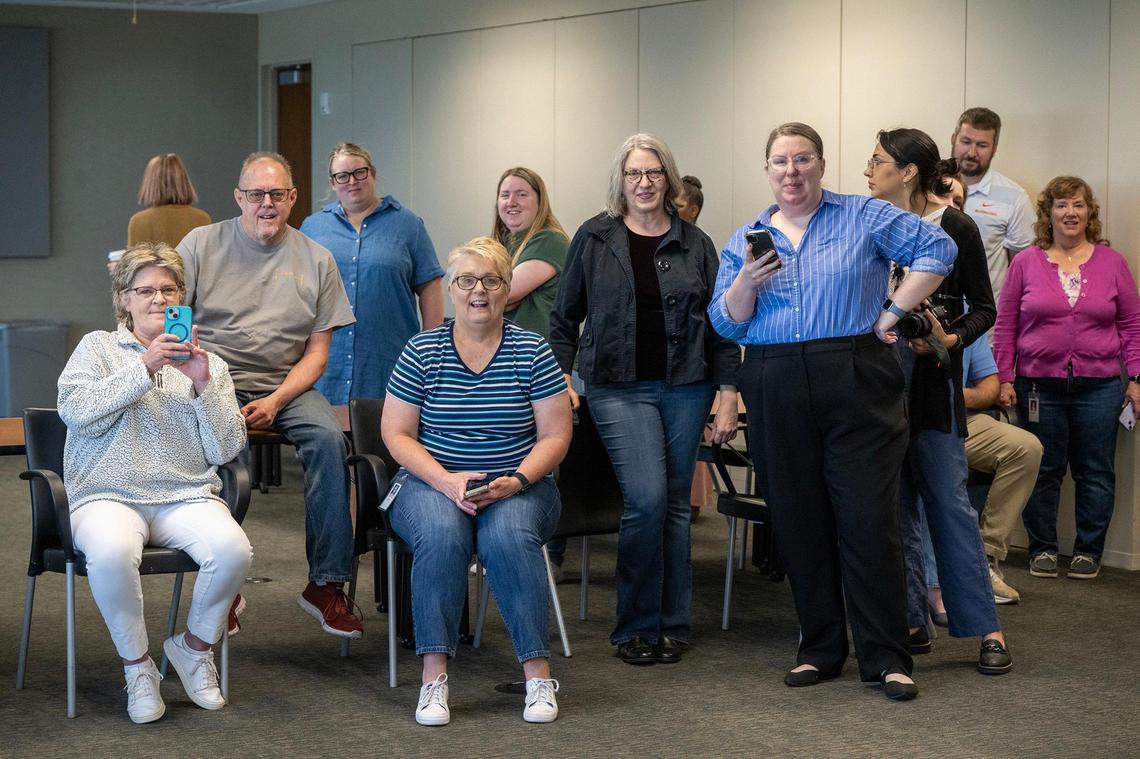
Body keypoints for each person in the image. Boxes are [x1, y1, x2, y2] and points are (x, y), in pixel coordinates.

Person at [710, 122, 955, 700]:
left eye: (802, 159)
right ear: (767, 171)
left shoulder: (863, 216)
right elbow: (725, 322)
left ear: (820, 164)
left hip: (854, 370)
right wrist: (747, 277)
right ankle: (820, 649)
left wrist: (892, 314)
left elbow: (938, 249)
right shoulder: (745, 238)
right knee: (798, 520)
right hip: (773, 376)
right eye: (779, 162)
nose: (790, 171)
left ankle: (888, 656)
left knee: (868, 519)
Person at [551, 134, 739, 667]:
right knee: (648, 499)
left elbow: (722, 326)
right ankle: (635, 625)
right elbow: (565, 319)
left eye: (654, 173)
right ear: (621, 182)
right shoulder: (594, 237)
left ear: (669, 180)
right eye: (634, 174)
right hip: (616, 387)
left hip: (688, 385)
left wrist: (728, 391)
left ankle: (672, 625)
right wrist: (559, 378)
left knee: (677, 505)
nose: (644, 183)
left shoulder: (697, 244)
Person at [58, 242, 252, 724]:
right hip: (106, 494)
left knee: (233, 549)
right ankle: (138, 667)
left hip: (184, 493)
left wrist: (205, 385)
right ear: (124, 298)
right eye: (145, 290)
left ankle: (193, 648)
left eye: (169, 289)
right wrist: (144, 367)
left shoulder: (207, 361)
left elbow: (227, 449)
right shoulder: (97, 349)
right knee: (109, 551)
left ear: (182, 296)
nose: (159, 299)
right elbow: (75, 410)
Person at [382, 237, 572, 726]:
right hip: (430, 482)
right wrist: (446, 482)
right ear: (450, 289)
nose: (479, 291)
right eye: (466, 281)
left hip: (520, 484)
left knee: (508, 535)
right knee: (443, 535)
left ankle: (537, 676)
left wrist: (518, 478)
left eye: (491, 280)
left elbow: (555, 435)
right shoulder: (421, 350)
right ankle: (433, 680)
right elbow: (396, 435)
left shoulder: (532, 350)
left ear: (507, 289)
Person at [177, 152, 361, 637]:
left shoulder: (317, 259)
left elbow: (318, 355)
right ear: (239, 197)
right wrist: (200, 382)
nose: (266, 204)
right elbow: (175, 322)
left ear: (293, 198)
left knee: (328, 441)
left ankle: (325, 584)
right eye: (256, 194)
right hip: (212, 376)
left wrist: (278, 400)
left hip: (288, 383)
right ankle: (225, 582)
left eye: (277, 194)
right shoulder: (200, 244)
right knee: (219, 444)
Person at [865, 127, 1012, 675]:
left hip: (931, 386)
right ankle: (909, 621)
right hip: (875, 386)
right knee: (892, 509)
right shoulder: (867, 223)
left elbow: (984, 308)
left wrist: (950, 339)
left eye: (877, 160)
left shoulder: (956, 226)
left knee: (949, 507)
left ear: (907, 172)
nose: (866, 168)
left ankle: (987, 630)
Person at [993, 176, 1140, 580]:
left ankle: (1088, 552)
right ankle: (1041, 547)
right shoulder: (1026, 262)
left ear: (1089, 212)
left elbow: (1131, 323)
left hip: (1101, 385)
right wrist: (1005, 377)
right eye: (1061, 205)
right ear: (1048, 214)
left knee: (1095, 470)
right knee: (1044, 467)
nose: (1070, 213)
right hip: (1038, 385)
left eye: (1077, 204)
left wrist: (1137, 377)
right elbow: (1006, 324)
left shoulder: (1114, 263)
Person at [299, 142, 444, 403]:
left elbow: (430, 290)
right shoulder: (312, 228)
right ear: (332, 183)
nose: (351, 181)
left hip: (390, 362)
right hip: (326, 367)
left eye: (359, 172)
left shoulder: (408, 225)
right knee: (330, 441)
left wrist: (432, 352)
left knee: (389, 440)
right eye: (342, 176)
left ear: (372, 174)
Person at [950, 107, 1035, 295]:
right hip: (930, 317)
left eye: (982, 145)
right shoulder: (928, 188)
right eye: (966, 142)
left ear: (994, 149)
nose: (972, 152)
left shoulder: (1014, 197)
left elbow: (1023, 270)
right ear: (953, 139)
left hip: (987, 320)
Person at [491, 167, 568, 340]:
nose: (511, 202)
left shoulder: (550, 240)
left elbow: (503, 294)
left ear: (540, 202)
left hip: (543, 360)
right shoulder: (505, 244)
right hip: (511, 357)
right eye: (505, 195)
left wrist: (497, 301)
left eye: (521, 194)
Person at [119, 154, 210, 271]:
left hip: (157, 287)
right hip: (194, 288)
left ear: (149, 182)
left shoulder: (139, 221)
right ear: (184, 181)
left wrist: (119, 267)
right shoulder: (202, 218)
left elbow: (134, 271)